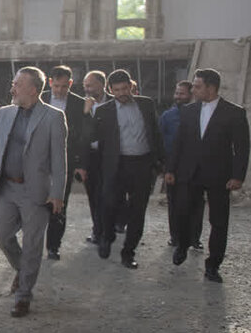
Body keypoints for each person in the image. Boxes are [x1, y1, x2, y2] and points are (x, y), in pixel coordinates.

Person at [0, 67, 67, 317]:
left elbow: (59, 160)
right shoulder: (4, 113)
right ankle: (23, 269)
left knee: (32, 245)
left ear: (33, 89)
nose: (12, 88)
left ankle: (23, 296)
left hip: (36, 192)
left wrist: (57, 193)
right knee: (1, 235)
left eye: (17, 84)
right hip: (8, 187)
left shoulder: (53, 117)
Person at [165, 68, 251, 283]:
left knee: (219, 221)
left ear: (211, 88)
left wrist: (238, 176)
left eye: (197, 86)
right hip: (189, 172)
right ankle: (183, 245)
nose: (193, 90)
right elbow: (179, 143)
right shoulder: (189, 111)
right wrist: (170, 169)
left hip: (219, 175)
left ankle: (213, 265)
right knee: (183, 212)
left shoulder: (234, 113)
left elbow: (242, 148)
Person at [80, 68, 164, 269]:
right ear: (110, 90)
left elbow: (156, 133)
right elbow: (89, 137)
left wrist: (161, 163)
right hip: (116, 166)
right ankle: (106, 237)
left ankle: (129, 252)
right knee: (108, 204)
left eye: (124, 89)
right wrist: (86, 114)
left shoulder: (146, 104)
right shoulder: (104, 111)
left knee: (138, 210)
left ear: (131, 86)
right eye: (116, 90)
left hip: (142, 164)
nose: (121, 94)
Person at [42, 66, 87, 260]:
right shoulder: (39, 98)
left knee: (59, 203)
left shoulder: (79, 104)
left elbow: (83, 137)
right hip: (40, 160)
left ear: (70, 84)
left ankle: (53, 246)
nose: (59, 90)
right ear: (50, 82)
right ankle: (34, 243)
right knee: (36, 203)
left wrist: (81, 164)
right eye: (56, 86)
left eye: (64, 86)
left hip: (65, 161)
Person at [159, 81, 204, 250]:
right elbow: (160, 139)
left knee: (196, 202)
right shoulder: (167, 116)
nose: (178, 97)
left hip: (195, 167)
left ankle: (194, 238)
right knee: (174, 202)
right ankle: (175, 237)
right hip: (173, 166)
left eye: (182, 94)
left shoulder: (200, 114)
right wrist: (163, 165)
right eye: (176, 93)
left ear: (191, 95)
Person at [80, 70, 113, 243]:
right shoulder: (82, 105)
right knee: (93, 195)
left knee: (109, 195)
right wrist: (86, 113)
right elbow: (81, 133)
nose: (87, 89)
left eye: (90, 85)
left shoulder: (114, 103)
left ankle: (109, 228)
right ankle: (97, 230)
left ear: (102, 84)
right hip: (91, 158)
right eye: (85, 85)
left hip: (110, 156)